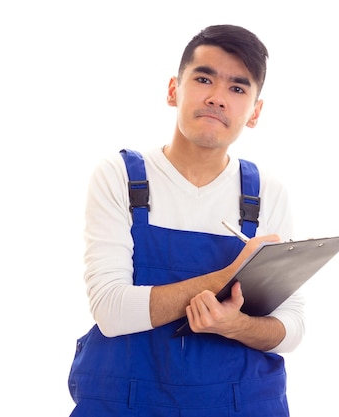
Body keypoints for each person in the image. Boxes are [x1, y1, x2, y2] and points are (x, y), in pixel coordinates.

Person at [68, 24, 305, 416]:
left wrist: (234, 325)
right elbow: (110, 309)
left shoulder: (267, 194)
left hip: (237, 405)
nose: (217, 98)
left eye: (237, 88)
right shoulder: (121, 178)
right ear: (173, 90)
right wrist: (227, 278)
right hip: (125, 405)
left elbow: (291, 327)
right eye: (204, 78)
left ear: (255, 112)